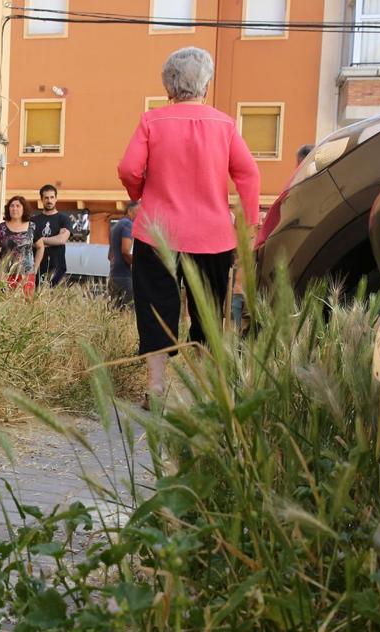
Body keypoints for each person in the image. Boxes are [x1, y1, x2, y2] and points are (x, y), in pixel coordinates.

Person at [117, 46, 260, 405]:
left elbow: (129, 169)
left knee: (156, 308)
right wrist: (249, 223)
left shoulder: (151, 121)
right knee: (209, 313)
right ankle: (205, 392)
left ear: (168, 87)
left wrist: (141, 193)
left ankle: (156, 388)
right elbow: (248, 173)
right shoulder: (225, 125)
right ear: (205, 85)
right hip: (213, 237)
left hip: (156, 234)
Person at [0, 195, 43, 295]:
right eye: (12, 206)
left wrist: (35, 267)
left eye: (18, 206)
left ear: (24, 209)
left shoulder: (32, 227)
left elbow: (40, 247)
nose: (14, 208)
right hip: (5, 274)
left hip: (26, 275)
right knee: (5, 303)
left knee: (26, 304)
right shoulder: (1, 228)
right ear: (8, 209)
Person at [35, 185, 72, 287]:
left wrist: (40, 240)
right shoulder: (34, 221)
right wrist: (52, 240)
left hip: (57, 269)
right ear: (41, 199)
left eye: (52, 197)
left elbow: (61, 240)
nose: (49, 200)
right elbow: (30, 242)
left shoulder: (64, 219)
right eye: (46, 198)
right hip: (37, 268)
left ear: (56, 199)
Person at [107, 200, 139, 308]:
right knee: (128, 313)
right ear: (129, 211)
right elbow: (125, 251)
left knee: (116, 314)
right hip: (125, 277)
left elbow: (110, 255)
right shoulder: (128, 225)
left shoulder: (115, 226)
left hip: (114, 275)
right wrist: (139, 266)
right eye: (138, 212)